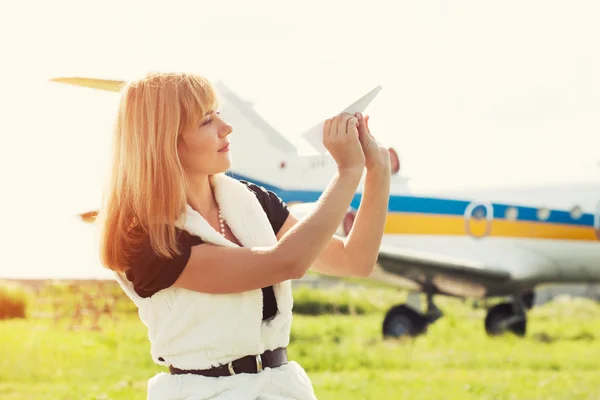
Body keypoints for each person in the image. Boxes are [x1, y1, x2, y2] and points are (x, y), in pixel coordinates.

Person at [97, 72, 391, 400]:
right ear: (164, 140)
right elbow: (286, 263)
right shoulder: (147, 238)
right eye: (207, 120)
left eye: (218, 114)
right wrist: (347, 172)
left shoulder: (252, 201)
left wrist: (376, 170)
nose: (226, 128)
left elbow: (356, 261)